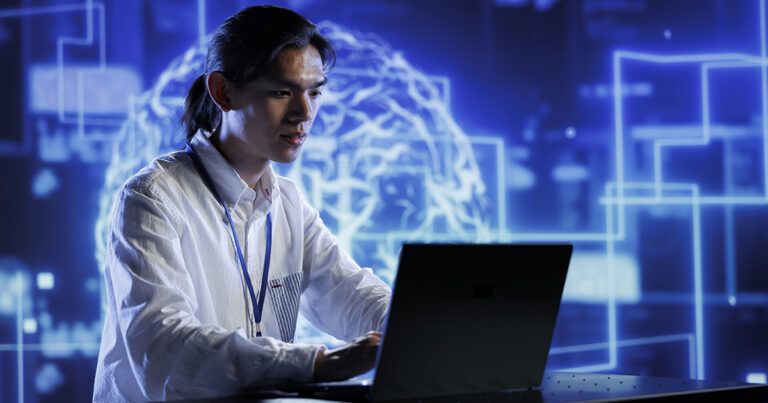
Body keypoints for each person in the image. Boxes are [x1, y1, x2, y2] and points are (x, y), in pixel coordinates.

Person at [93, 5, 391, 401]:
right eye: (281, 92)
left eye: (315, 91)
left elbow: (351, 293)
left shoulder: (287, 203)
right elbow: (165, 349)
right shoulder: (152, 199)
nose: (304, 113)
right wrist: (318, 363)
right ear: (223, 92)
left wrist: (411, 328)